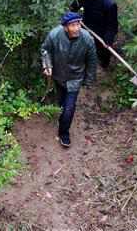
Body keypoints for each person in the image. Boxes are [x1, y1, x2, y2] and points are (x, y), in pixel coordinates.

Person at [41, 12, 98, 148]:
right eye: (73, 25)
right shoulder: (55, 35)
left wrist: (88, 79)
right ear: (65, 27)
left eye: (78, 24)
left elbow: (92, 60)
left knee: (69, 108)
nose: (77, 28)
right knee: (61, 103)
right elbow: (45, 50)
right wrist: (47, 65)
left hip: (75, 78)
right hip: (59, 76)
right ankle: (61, 121)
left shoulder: (87, 39)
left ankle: (64, 133)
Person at [70, 0, 119, 69]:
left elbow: (112, 25)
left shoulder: (109, 4)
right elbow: (75, 5)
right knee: (84, 44)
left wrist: (108, 40)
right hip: (87, 23)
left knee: (103, 50)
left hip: (103, 29)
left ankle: (104, 65)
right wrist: (74, 16)